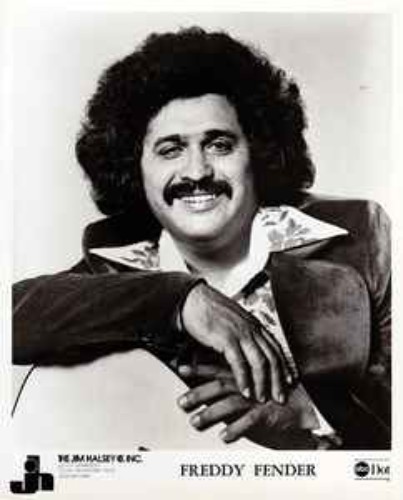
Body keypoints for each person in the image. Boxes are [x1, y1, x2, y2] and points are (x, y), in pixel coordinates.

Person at [13, 27, 391, 449]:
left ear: (258, 153)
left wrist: (312, 416)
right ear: (135, 170)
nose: (197, 172)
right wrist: (177, 299)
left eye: (219, 145)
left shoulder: (362, 240)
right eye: (170, 150)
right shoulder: (117, 266)